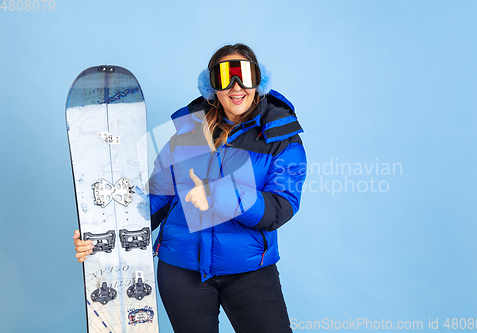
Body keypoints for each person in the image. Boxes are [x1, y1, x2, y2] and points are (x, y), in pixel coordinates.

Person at [74, 43, 307, 332]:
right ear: (212, 86)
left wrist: (219, 195)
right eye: (224, 77)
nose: (236, 86)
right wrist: (103, 232)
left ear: (259, 80)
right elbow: (157, 196)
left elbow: (279, 209)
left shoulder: (281, 136)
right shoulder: (187, 129)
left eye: (244, 75)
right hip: (180, 270)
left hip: (249, 271)